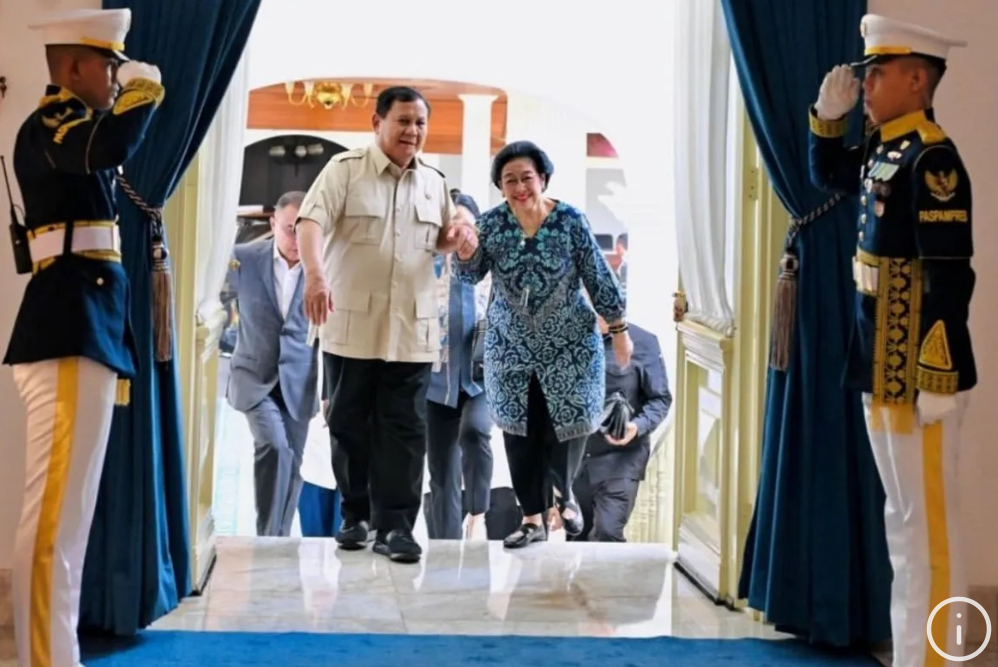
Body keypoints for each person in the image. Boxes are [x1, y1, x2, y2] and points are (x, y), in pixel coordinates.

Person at [809, 14, 974, 666]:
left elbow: (949, 274)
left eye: (878, 72)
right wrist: (827, 119)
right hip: (880, 363)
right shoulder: (887, 150)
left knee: (929, 531)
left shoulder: (933, 158)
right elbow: (830, 176)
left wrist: (938, 372)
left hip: (918, 374)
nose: (866, 82)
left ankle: (936, 659)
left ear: (916, 79)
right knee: (902, 526)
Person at [2, 9, 164, 667]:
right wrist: (145, 99)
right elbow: (105, 147)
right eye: (109, 64)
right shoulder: (53, 123)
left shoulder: (74, 127)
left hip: (82, 329)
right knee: (53, 531)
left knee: (64, 525)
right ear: (73, 68)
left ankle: (52, 653)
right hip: (68, 329)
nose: (116, 77)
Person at [296, 86, 476, 563]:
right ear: (377, 122)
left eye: (419, 123)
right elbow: (309, 223)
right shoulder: (344, 171)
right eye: (402, 121)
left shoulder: (435, 182)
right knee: (351, 423)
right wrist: (315, 275)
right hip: (350, 322)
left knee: (406, 428)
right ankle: (355, 515)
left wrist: (455, 236)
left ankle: (396, 527)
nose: (412, 131)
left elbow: (438, 240)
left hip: (412, 329)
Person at [454, 140, 631, 549]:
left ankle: (563, 493)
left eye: (526, 178)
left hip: (569, 345)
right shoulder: (493, 225)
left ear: (543, 179)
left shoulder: (570, 220)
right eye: (509, 180)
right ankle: (531, 518)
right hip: (510, 347)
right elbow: (471, 275)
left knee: (568, 427)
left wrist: (618, 330)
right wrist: (465, 254)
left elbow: (597, 275)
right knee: (520, 434)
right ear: (500, 186)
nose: (519, 187)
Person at [224, 191, 320, 537]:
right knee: (273, 446)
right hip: (254, 377)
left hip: (300, 380)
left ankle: (277, 539)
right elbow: (214, 298)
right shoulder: (244, 258)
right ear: (272, 224)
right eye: (289, 229)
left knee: (293, 464)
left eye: (303, 229)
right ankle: (267, 537)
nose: (296, 239)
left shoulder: (321, 266)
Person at [425, 191, 494, 541]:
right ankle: (445, 548)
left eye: (464, 222)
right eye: (451, 223)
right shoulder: (427, 266)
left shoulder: (490, 269)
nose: (458, 230)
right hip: (436, 383)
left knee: (475, 431)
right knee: (441, 475)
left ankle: (478, 512)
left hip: (481, 381)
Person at [569, 314, 671, 542]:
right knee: (578, 536)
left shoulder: (643, 342)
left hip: (621, 460)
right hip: (575, 461)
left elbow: (660, 399)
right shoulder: (566, 338)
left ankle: (609, 579)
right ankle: (581, 579)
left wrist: (637, 426)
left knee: (608, 532)